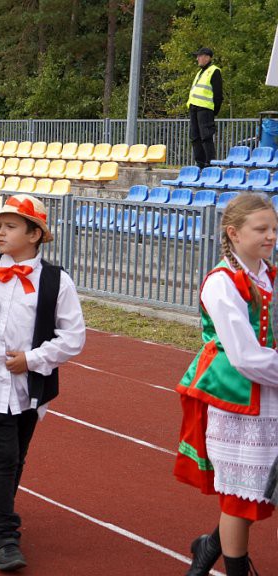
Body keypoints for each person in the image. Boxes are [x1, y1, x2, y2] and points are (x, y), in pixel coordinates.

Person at [0, 193, 86, 571]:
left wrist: (32, 360)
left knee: (18, 456)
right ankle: (5, 534)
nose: (0, 232)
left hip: (32, 387)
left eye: (10, 226)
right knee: (3, 456)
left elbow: (73, 336)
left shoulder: (56, 281)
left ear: (34, 234)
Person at [175, 192, 278, 576]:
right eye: (261, 229)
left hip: (270, 392)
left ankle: (211, 544)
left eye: (274, 229)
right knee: (239, 496)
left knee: (258, 490)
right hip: (237, 397)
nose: (270, 236)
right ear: (234, 233)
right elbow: (245, 356)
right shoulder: (222, 283)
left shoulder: (269, 274)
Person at [187, 47, 223, 168]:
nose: (197, 58)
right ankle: (200, 163)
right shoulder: (200, 72)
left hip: (205, 109)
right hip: (194, 108)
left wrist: (214, 111)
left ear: (207, 57)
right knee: (195, 137)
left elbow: (218, 94)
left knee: (206, 136)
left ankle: (210, 163)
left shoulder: (214, 71)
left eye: (199, 56)